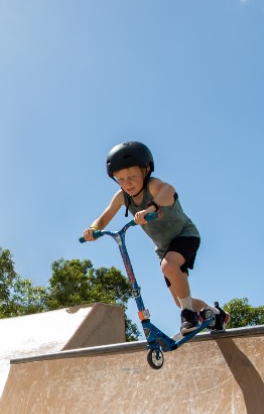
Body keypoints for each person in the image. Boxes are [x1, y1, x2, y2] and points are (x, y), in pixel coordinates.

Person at [82, 140, 228, 335]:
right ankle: (214, 314)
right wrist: (93, 229)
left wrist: (152, 207)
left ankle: (189, 315)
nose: (128, 183)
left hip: (185, 235)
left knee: (169, 267)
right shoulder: (121, 197)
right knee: (180, 299)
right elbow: (104, 217)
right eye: (121, 179)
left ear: (146, 169)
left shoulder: (153, 185)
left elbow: (169, 192)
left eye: (132, 176)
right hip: (164, 248)